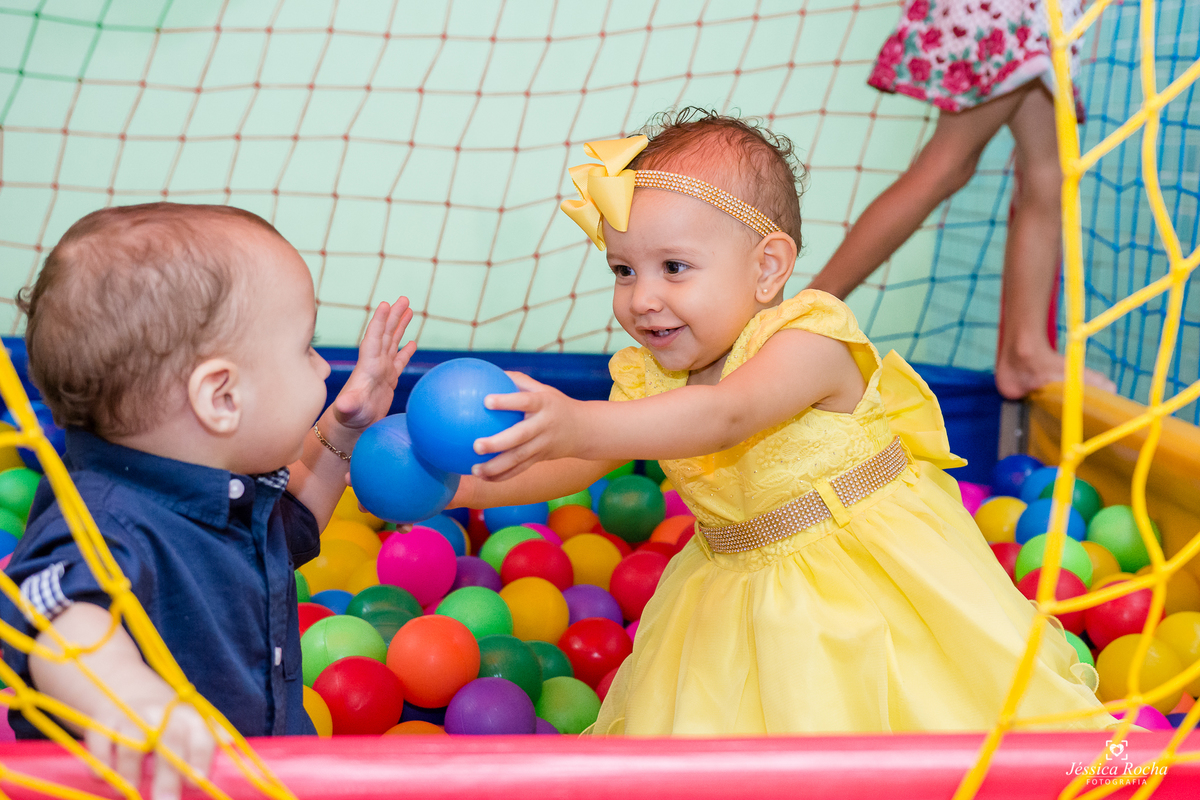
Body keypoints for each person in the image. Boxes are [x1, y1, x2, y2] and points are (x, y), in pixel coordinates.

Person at [454, 109, 1115, 734]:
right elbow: (576, 463)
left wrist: (577, 422)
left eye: (674, 268)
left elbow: (725, 415)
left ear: (768, 267)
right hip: (731, 596)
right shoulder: (651, 376)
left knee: (903, 727)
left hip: (866, 584)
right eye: (624, 270)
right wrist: (463, 488)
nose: (643, 297)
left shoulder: (809, 340)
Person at [1, 203, 416, 798]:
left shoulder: (223, 490)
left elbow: (297, 519)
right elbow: (53, 615)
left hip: (253, 776)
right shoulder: (105, 516)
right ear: (220, 397)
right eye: (306, 347)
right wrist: (135, 702)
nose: (324, 365)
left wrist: (346, 428)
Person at [805, 0, 1115, 400]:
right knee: (949, 162)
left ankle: (1026, 350)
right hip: (1023, 13)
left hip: (1041, 17)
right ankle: (807, 309)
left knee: (1048, 174)